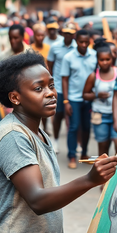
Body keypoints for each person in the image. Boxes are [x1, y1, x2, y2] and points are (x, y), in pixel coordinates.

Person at [0, 51, 117, 233]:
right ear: (15, 98)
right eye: (38, 89)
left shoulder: (36, 131)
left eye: (51, 85)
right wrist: (90, 180)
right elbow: (38, 200)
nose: (50, 93)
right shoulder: (14, 135)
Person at [61, 30, 97, 168]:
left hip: (88, 98)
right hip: (73, 98)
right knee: (74, 127)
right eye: (80, 41)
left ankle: (84, 153)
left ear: (89, 42)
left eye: (86, 42)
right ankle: (71, 156)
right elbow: (64, 79)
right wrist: (66, 101)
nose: (83, 44)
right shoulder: (68, 57)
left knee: (87, 127)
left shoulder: (94, 56)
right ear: (76, 41)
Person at [83, 39, 117, 156]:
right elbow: (84, 95)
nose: (105, 62)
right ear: (97, 60)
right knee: (103, 150)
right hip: (100, 116)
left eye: (107, 59)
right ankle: (103, 173)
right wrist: (97, 95)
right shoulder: (94, 76)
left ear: (112, 59)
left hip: (116, 116)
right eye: (102, 60)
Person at [46, 22, 78, 153]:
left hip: (74, 88)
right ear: (62, 33)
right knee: (57, 115)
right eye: (66, 33)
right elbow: (50, 64)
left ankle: (77, 143)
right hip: (59, 86)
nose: (68, 36)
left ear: (74, 34)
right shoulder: (55, 47)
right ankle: (56, 140)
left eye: (71, 33)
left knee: (74, 117)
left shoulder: (77, 47)